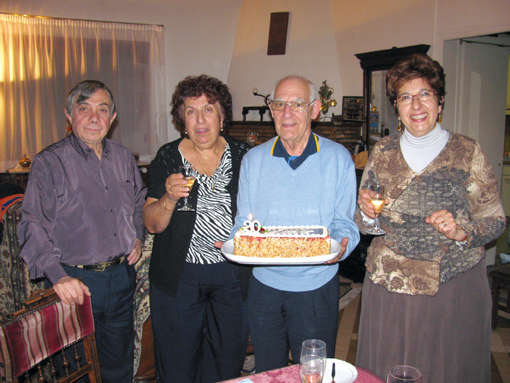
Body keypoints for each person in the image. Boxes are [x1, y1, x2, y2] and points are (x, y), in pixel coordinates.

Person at [355, 53, 506, 383]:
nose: (416, 105)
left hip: (450, 286)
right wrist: (367, 214)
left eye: (425, 93)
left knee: (444, 369)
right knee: (386, 368)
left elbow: (495, 220)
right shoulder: (382, 152)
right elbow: (365, 223)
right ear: (397, 106)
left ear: (440, 101)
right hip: (389, 283)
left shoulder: (467, 151)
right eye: (405, 97)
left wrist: (460, 231)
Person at [18, 80, 147, 383]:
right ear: (69, 114)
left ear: (112, 118)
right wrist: (58, 275)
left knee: (118, 368)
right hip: (74, 284)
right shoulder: (49, 162)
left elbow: (140, 201)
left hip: (120, 277)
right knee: (75, 372)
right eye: (84, 109)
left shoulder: (124, 157)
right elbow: (31, 223)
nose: (94, 118)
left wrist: (137, 235)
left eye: (102, 110)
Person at [229, 75, 360, 372]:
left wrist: (341, 246)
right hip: (263, 289)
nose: (286, 113)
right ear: (271, 109)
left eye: (297, 104)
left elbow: (345, 224)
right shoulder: (253, 160)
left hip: (316, 287)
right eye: (279, 104)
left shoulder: (339, 159)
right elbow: (243, 222)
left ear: (314, 109)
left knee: (313, 372)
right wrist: (237, 241)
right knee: (268, 372)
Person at [143, 75, 252, 383]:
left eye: (208, 109)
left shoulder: (246, 156)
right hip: (180, 275)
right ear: (182, 119)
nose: (200, 119)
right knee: (177, 361)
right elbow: (151, 223)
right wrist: (168, 198)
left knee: (227, 358)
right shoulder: (167, 157)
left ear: (222, 116)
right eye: (191, 111)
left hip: (232, 273)